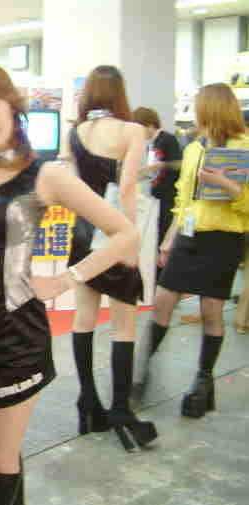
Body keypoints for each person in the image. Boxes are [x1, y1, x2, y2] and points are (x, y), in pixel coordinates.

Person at [0, 60, 139, 505]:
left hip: (17, 339)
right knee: (3, 456)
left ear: (12, 106)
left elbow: (124, 233)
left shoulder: (46, 176)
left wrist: (69, 279)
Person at [139, 83, 249, 418]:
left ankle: (203, 381)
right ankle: (139, 372)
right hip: (188, 237)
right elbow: (184, 201)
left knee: (211, 311)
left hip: (224, 239)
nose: (194, 115)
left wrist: (225, 185)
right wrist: (169, 239)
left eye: (199, 108)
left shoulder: (244, 147)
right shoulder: (192, 149)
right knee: (163, 302)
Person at [67, 65, 158, 451]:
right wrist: (130, 242)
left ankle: (88, 402)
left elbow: (74, 187)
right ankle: (121, 410)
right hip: (113, 233)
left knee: (83, 318)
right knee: (124, 327)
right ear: (120, 93)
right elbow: (126, 189)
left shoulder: (76, 132)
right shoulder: (131, 130)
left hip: (81, 233)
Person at [132, 107, 182, 248]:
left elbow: (180, 164)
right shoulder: (151, 144)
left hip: (169, 196)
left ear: (150, 125)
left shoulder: (168, 139)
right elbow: (153, 170)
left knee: (165, 233)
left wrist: (160, 166)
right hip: (157, 196)